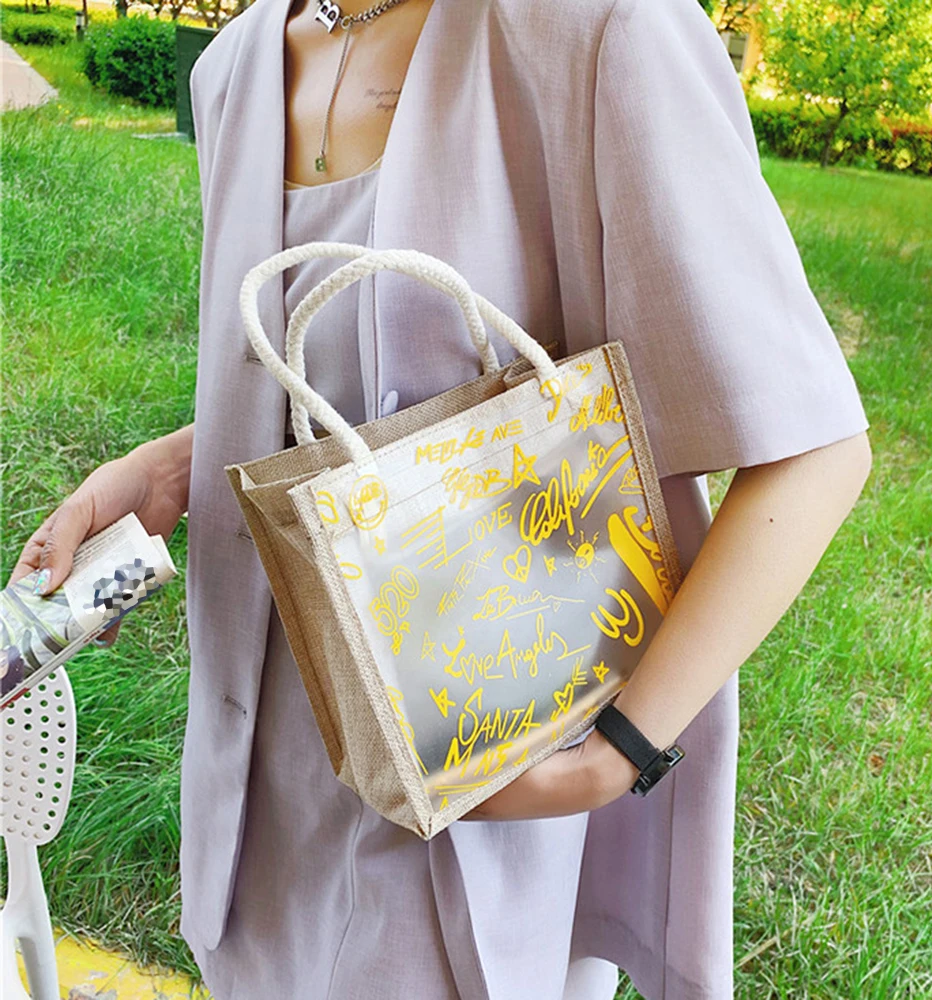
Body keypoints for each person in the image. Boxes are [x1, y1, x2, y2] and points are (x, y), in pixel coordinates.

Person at [8, 0, 873, 997]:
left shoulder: (598, 27)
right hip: (257, 800)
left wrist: (613, 757)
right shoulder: (235, 68)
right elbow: (357, 397)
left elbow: (813, 448)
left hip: (479, 792)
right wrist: (167, 470)